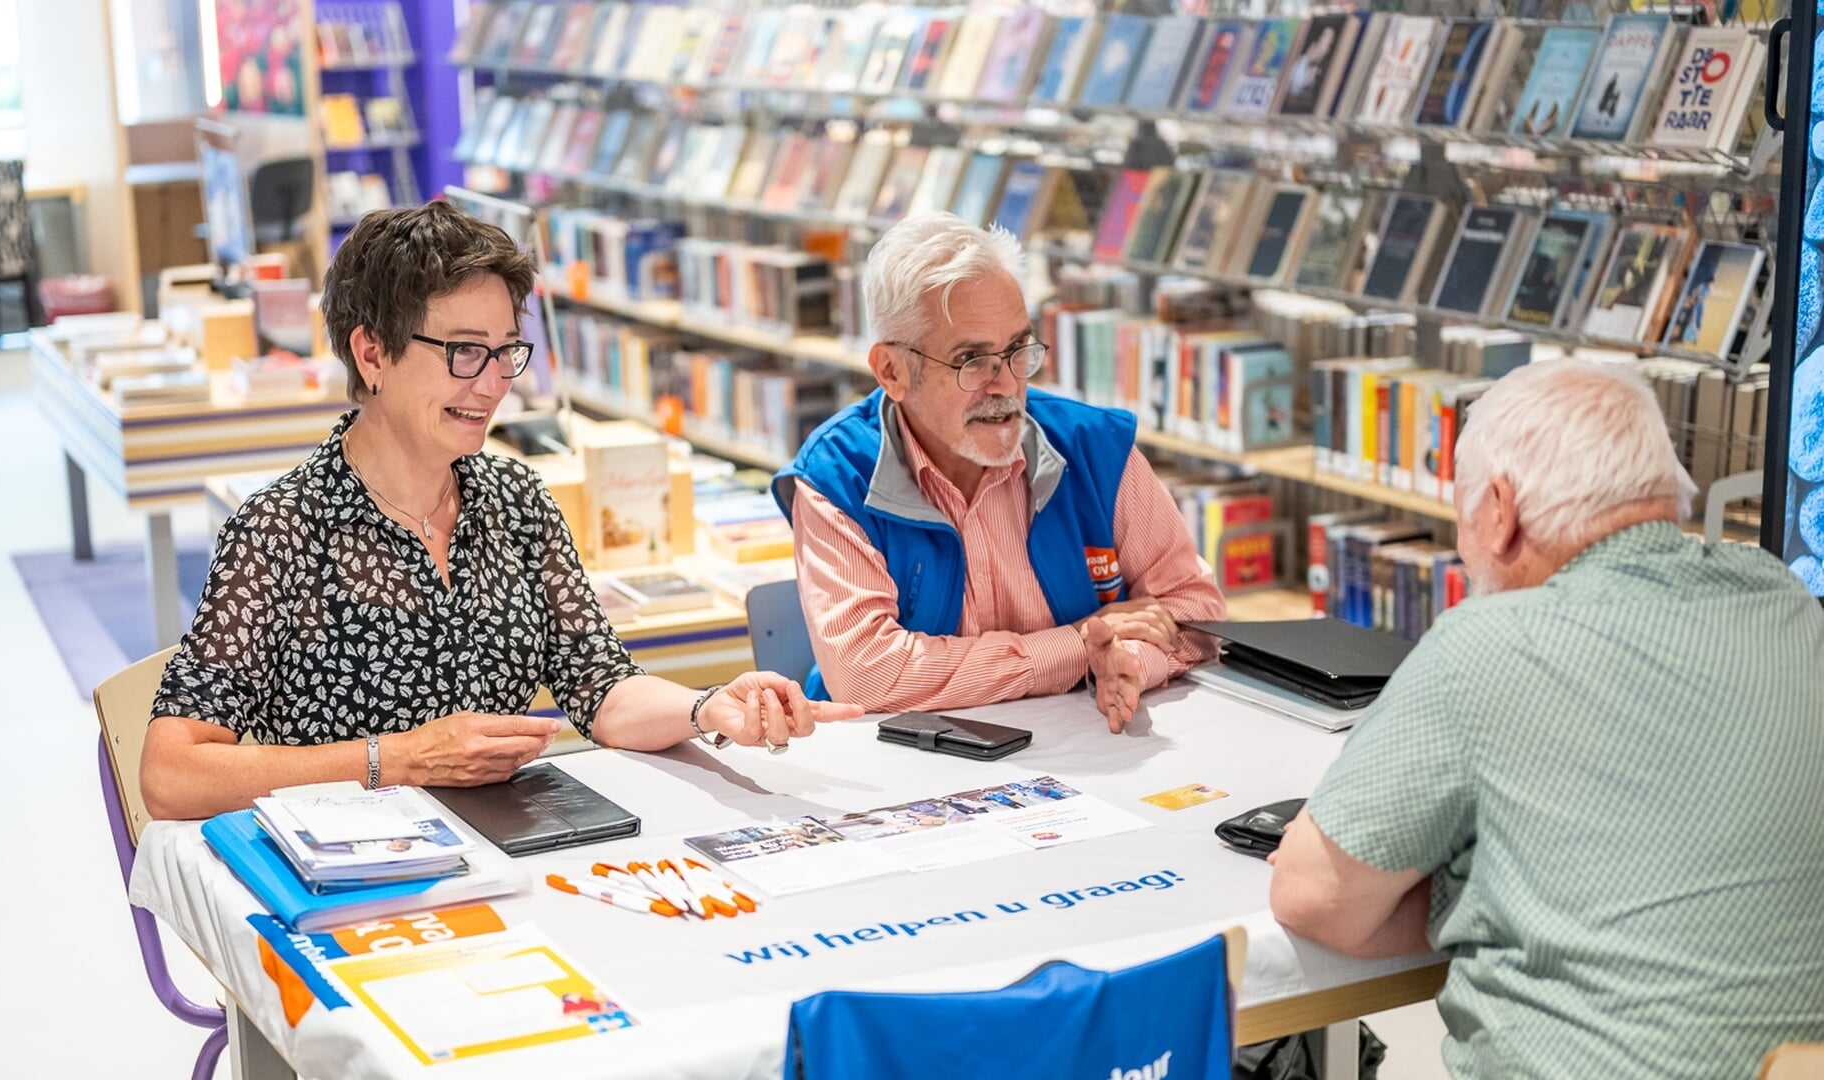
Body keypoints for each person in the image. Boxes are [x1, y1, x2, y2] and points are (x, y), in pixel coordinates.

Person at [140, 201, 859, 821]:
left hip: (514, 851)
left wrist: (706, 709)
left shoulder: (514, 501)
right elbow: (172, 775)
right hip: (355, 876)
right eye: (461, 353)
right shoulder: (280, 530)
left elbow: (601, 687)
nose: (491, 385)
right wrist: (399, 759)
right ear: (372, 354)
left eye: (505, 352)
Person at [1268, 359, 1824, 1079]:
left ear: (1498, 512)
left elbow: (1315, 896)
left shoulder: (1486, 646)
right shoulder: (1786, 606)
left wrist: (1475, 891)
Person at [772, 213, 1226, 731]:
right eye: (972, 360)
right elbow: (870, 675)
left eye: (1017, 351)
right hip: (895, 766)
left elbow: (1196, 612)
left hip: (1083, 749)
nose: (1006, 385)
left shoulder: (1095, 449)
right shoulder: (838, 476)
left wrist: (1127, 662)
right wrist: (1075, 645)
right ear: (892, 372)